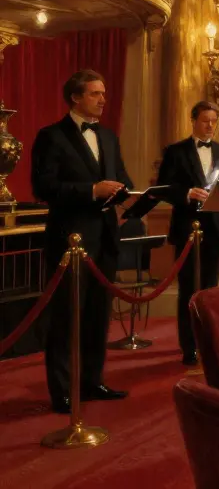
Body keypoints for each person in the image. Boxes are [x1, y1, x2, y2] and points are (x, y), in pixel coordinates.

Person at [31, 70, 133, 414]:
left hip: (104, 239)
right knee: (66, 319)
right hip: (69, 242)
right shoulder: (51, 136)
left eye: (104, 93)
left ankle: (92, 380)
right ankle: (62, 390)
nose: (103, 99)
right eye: (95, 94)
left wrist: (132, 195)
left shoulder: (108, 135)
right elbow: (43, 187)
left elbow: (122, 178)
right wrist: (91, 190)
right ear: (75, 97)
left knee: (97, 316)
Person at [157, 101, 219, 366]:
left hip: (215, 229)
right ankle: (188, 346)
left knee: (211, 292)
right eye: (205, 120)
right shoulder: (176, 152)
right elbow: (163, 188)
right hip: (187, 229)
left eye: (214, 120)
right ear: (193, 120)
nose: (210, 125)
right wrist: (187, 193)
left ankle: (210, 343)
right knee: (189, 291)